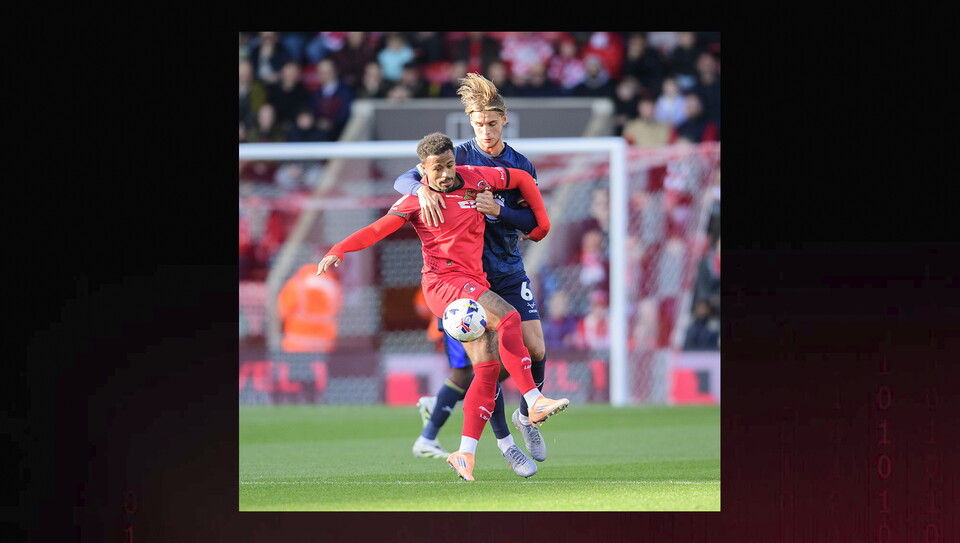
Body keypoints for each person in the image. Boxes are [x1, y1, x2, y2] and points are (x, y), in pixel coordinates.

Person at [318, 132, 570, 481]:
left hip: (476, 281)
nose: (445, 174)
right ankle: (533, 399)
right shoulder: (416, 199)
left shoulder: (474, 177)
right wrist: (340, 248)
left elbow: (523, 178)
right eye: (437, 169)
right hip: (443, 284)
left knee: (485, 370)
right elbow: (377, 229)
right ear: (423, 169)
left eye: (449, 165)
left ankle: (465, 453)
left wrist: (541, 220)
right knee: (509, 317)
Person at [393, 73, 554, 476]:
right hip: (468, 276)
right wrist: (420, 190)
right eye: (478, 123)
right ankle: (505, 444)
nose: (485, 130)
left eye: (492, 123)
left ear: (504, 120)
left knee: (536, 348)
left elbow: (534, 222)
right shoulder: (457, 156)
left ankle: (525, 416)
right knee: (489, 361)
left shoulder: (519, 164)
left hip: (508, 265)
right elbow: (405, 178)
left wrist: (500, 211)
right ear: (471, 122)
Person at [277, 262, 343, 353]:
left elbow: (283, 312)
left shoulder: (296, 284)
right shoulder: (333, 285)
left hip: (296, 345)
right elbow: (338, 312)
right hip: (324, 346)